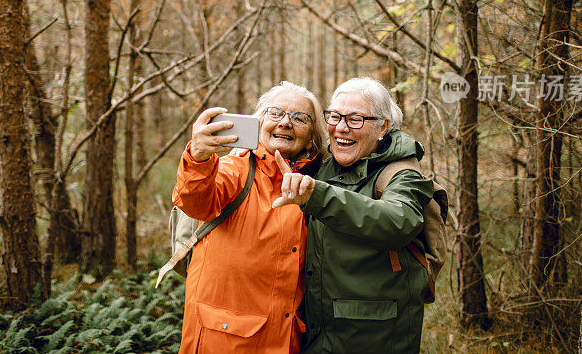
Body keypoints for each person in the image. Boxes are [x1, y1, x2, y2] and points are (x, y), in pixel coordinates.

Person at [272, 77, 433, 354]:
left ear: (383, 126)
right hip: (315, 333)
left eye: (355, 119)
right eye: (334, 116)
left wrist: (318, 197)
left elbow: (398, 220)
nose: (340, 128)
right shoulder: (324, 164)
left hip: (374, 336)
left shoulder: (403, 175)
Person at [173, 81, 327, 353]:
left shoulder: (318, 183)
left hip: (287, 340)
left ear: (313, 135)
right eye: (275, 113)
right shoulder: (236, 169)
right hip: (223, 342)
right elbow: (195, 200)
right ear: (259, 122)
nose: (285, 123)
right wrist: (198, 157)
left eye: (300, 118)